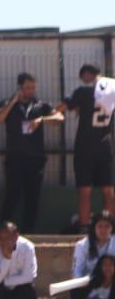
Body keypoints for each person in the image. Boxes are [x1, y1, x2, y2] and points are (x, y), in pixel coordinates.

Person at [0, 73, 60, 233]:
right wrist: (12, 102)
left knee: (32, 198)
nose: (30, 91)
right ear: (19, 88)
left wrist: (42, 120)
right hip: (15, 158)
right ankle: (4, 230)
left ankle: (28, 232)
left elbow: (59, 117)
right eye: (27, 88)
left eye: (32, 88)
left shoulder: (40, 105)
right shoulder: (7, 103)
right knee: (12, 195)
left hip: (35, 159)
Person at [56, 64, 115, 227]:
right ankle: (110, 227)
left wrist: (54, 113)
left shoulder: (83, 91)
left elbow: (63, 107)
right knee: (108, 189)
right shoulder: (112, 91)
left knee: (85, 189)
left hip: (85, 146)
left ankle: (84, 227)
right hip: (105, 144)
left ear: (87, 75)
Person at [67, 213, 115, 299]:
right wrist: (85, 282)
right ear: (94, 228)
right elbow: (77, 270)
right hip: (90, 282)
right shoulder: (82, 245)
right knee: (76, 290)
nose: (103, 230)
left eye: (107, 226)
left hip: (112, 281)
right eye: (100, 226)